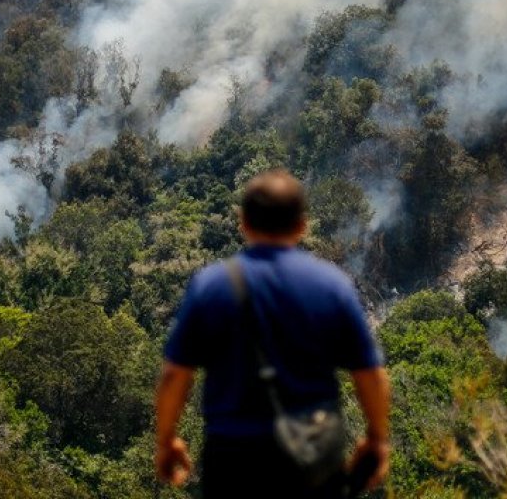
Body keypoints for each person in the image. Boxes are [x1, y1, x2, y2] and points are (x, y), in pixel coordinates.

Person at [155, 169, 390, 497]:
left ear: (243, 223)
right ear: (302, 225)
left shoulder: (210, 286)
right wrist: (377, 439)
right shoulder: (332, 286)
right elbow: (370, 376)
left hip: (234, 461)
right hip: (312, 459)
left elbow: (174, 376)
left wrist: (166, 440)